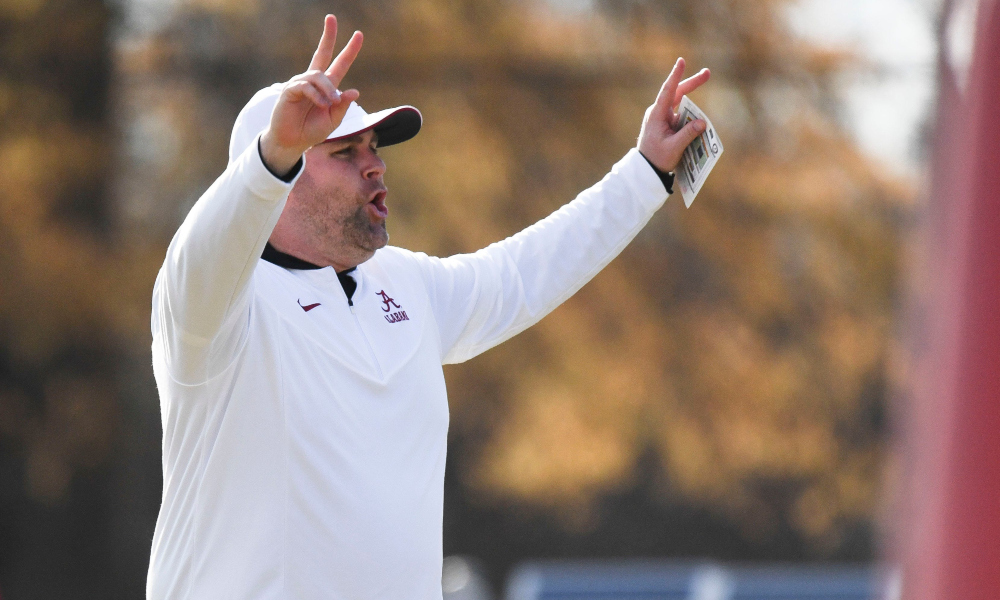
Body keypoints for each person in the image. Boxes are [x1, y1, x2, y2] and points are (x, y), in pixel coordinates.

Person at [148, 13, 710, 600]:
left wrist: (644, 173)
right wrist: (270, 158)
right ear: (279, 177)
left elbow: (525, 271)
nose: (375, 164)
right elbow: (202, 256)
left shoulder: (403, 284)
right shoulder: (214, 316)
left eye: (374, 147)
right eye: (344, 152)